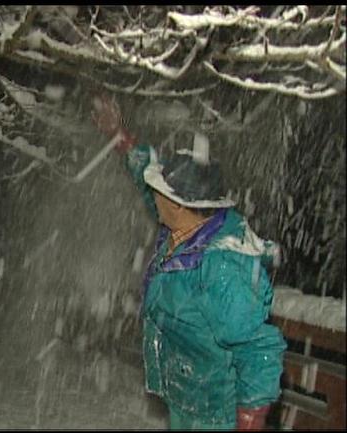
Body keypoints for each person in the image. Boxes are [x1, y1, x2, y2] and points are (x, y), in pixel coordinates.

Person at [91, 95, 286, 430]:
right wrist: (119, 138)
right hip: (186, 395)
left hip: (215, 414)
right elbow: (144, 174)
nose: (151, 193)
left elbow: (258, 346)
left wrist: (250, 418)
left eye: (160, 190)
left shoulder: (220, 266)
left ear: (179, 204)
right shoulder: (182, 227)